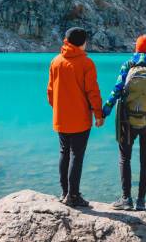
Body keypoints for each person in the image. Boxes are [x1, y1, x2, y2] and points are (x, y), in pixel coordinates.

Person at [102, 35, 146, 211]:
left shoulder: (128, 65)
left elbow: (116, 90)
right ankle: (141, 201)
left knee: (125, 158)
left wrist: (105, 111)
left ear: (137, 49)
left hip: (126, 120)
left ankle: (126, 199)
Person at [47, 27, 104, 207]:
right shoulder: (86, 63)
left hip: (61, 118)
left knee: (64, 153)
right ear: (82, 43)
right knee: (76, 155)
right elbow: (92, 92)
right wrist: (98, 114)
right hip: (80, 120)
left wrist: (58, 108)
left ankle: (64, 192)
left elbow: (50, 91)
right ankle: (73, 196)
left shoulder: (55, 61)